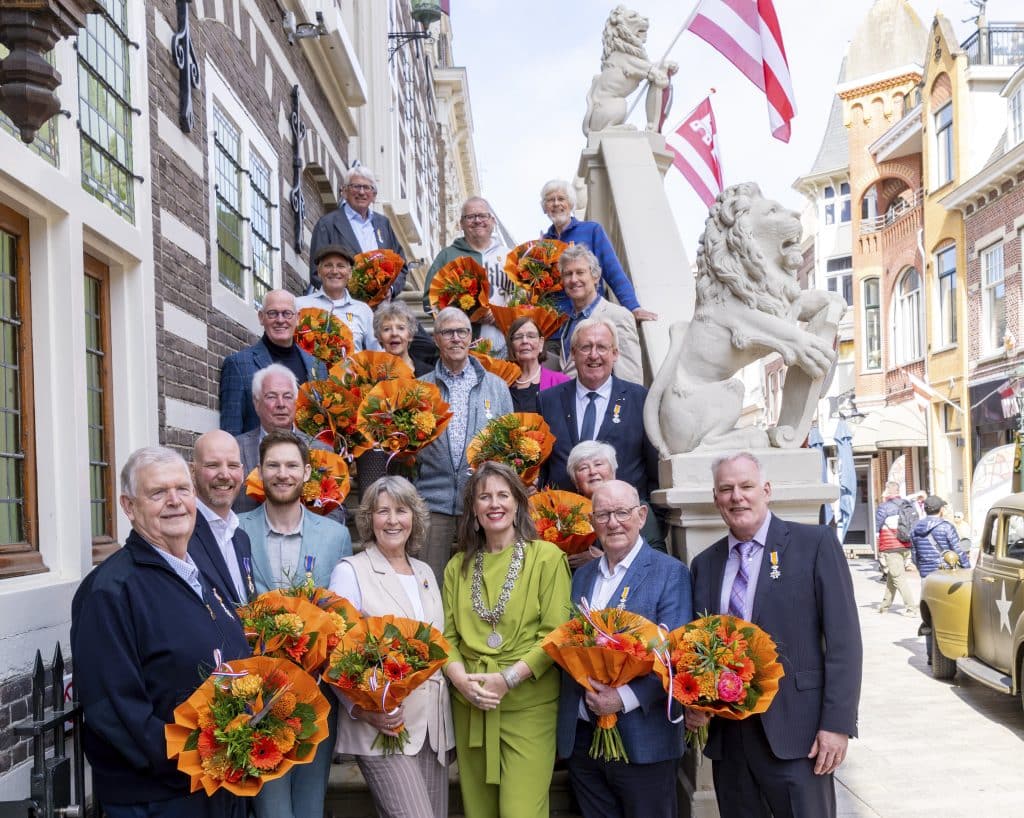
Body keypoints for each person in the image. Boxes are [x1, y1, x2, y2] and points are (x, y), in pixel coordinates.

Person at [71, 447, 249, 818]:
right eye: (157, 493)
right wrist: (191, 758)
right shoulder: (111, 591)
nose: (174, 502)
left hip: (216, 784)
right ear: (129, 506)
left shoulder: (196, 573)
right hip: (160, 797)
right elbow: (113, 708)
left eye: (182, 490)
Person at [689, 452, 862, 818]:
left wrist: (837, 725)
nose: (737, 496)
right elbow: (698, 646)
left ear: (766, 490)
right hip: (731, 742)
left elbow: (844, 642)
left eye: (746, 486)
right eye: (726, 489)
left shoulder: (814, 544)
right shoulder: (705, 564)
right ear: (716, 498)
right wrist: (695, 702)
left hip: (799, 736)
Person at [442, 461, 572, 818]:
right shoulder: (457, 567)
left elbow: (556, 634)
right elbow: (447, 636)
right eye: (484, 496)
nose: (494, 503)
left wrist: (508, 679)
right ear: (473, 509)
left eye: (503, 495)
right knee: (478, 812)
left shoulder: (546, 557)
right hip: (472, 704)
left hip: (528, 706)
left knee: (521, 812)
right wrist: (461, 681)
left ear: (518, 503)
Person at [557, 480, 691, 818]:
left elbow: (673, 656)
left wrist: (622, 698)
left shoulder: (669, 572)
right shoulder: (581, 577)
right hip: (585, 741)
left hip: (645, 740)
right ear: (592, 522)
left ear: (642, 516)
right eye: (603, 514)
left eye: (622, 512)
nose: (613, 522)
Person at [238, 430, 352, 818]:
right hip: (257, 696)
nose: (282, 474)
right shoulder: (235, 531)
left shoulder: (335, 536)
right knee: (272, 811)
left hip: (315, 695)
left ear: (306, 472)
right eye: (273, 465)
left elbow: (343, 614)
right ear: (259, 472)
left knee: (309, 807)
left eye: (291, 466)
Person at [328, 477, 453, 818]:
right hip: (383, 727)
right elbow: (335, 655)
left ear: (415, 517)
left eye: (402, 510)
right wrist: (364, 710)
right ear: (369, 518)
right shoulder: (350, 571)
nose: (393, 520)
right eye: (383, 511)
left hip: (432, 730)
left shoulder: (425, 571)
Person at [416, 307, 513, 584]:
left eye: (462, 332)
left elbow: (509, 447)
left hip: (482, 503)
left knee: (481, 582)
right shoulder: (420, 388)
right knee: (429, 582)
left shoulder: (497, 387)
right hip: (432, 502)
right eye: (448, 332)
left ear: (471, 337)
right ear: (436, 339)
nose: (455, 338)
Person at [538, 318, 657, 501]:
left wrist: (652, 518)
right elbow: (542, 468)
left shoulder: (640, 399)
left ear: (615, 354)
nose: (594, 355)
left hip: (622, 520)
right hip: (565, 521)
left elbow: (654, 469)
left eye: (602, 347)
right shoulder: (547, 401)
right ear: (573, 353)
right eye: (586, 347)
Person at [539, 179, 656, 357]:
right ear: (544, 207)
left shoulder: (591, 230)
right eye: (550, 200)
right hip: (556, 330)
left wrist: (633, 307)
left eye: (561, 198)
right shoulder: (542, 244)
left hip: (590, 320)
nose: (556, 204)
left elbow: (613, 271)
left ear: (570, 203)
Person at [219, 289, 325, 435]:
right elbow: (230, 433)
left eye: (287, 313)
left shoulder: (318, 367)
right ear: (261, 317)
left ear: (298, 318)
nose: (280, 320)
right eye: (272, 313)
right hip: (258, 456)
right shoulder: (238, 365)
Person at [231, 363, 332, 515]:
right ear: (256, 403)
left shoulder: (322, 451)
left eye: (287, 396)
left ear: (296, 402)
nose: (281, 404)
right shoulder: (234, 449)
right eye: (271, 396)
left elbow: (335, 510)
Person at [422, 196, 512, 356]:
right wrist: (469, 314)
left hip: (505, 347)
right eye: (470, 217)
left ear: (492, 221)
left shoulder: (509, 256)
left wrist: (501, 315)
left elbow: (524, 300)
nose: (477, 221)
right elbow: (429, 302)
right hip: (460, 348)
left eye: (482, 216)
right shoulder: (447, 256)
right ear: (461, 224)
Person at [308, 165, 408, 298]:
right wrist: (346, 297)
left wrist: (391, 290)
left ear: (374, 195)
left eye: (367, 187)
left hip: (382, 308)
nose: (361, 192)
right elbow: (316, 272)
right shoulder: (327, 224)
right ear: (344, 191)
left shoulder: (383, 224)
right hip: (345, 309)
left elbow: (401, 265)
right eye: (356, 186)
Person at [566, 440, 666, 566]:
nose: (592, 472)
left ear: (613, 472)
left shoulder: (634, 507)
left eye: (598, 464)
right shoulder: (566, 516)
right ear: (575, 482)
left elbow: (658, 555)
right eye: (583, 468)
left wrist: (602, 560)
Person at [556, 244, 643, 384]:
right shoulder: (568, 322)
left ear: (595, 277)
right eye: (568, 274)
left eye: (580, 272)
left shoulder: (618, 316)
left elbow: (630, 379)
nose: (573, 279)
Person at [189, 430, 254, 604]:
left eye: (232, 466)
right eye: (212, 465)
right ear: (193, 472)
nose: (225, 475)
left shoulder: (241, 538)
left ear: (242, 471)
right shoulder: (182, 536)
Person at [910, 495, 970, 664]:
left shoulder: (915, 528)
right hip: (947, 576)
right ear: (941, 510)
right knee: (948, 614)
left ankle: (931, 655)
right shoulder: (946, 527)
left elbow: (914, 555)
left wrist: (924, 570)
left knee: (929, 615)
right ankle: (949, 651)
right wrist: (966, 569)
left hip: (927, 576)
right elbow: (958, 551)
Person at [296, 244, 380, 352]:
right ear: (319, 272)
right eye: (328, 265)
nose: (335, 271)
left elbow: (377, 353)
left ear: (350, 273)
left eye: (341, 266)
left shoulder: (363, 311)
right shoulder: (299, 305)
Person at [505, 315, 569, 413]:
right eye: (518, 337)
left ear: (541, 343)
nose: (525, 341)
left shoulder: (561, 382)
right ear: (511, 345)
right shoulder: (502, 385)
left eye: (531, 336)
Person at [874, 481, 918, 616]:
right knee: (892, 577)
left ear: (887, 491)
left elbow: (877, 527)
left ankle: (911, 608)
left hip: (891, 546)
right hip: (905, 545)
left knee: (898, 577)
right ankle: (884, 606)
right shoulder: (908, 505)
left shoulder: (884, 507)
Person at [374, 299, 435, 376]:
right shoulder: (370, 375)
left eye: (401, 328)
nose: (394, 333)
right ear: (379, 336)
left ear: (410, 335)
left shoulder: (429, 374)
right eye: (387, 329)